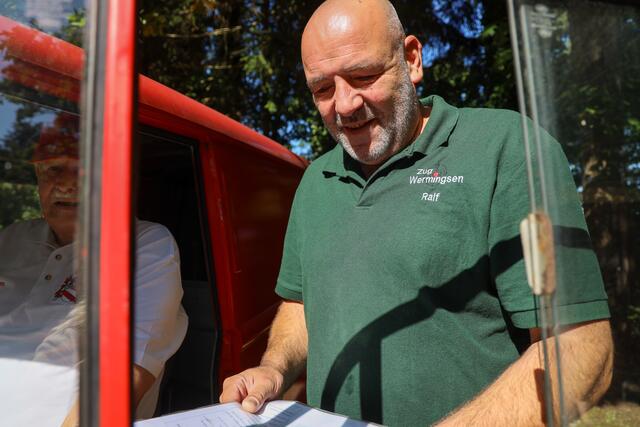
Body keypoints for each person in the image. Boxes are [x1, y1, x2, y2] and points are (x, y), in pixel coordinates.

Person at [220, 0, 614, 426]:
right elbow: (302, 305)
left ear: (411, 59)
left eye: (363, 76)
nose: (345, 104)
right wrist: (274, 369)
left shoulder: (505, 149)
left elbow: (581, 350)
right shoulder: (317, 180)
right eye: (323, 89)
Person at [0, 112, 188, 426]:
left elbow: (123, 376)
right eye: (53, 169)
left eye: (82, 169)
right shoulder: (12, 237)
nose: (65, 183)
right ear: (38, 180)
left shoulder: (145, 244)